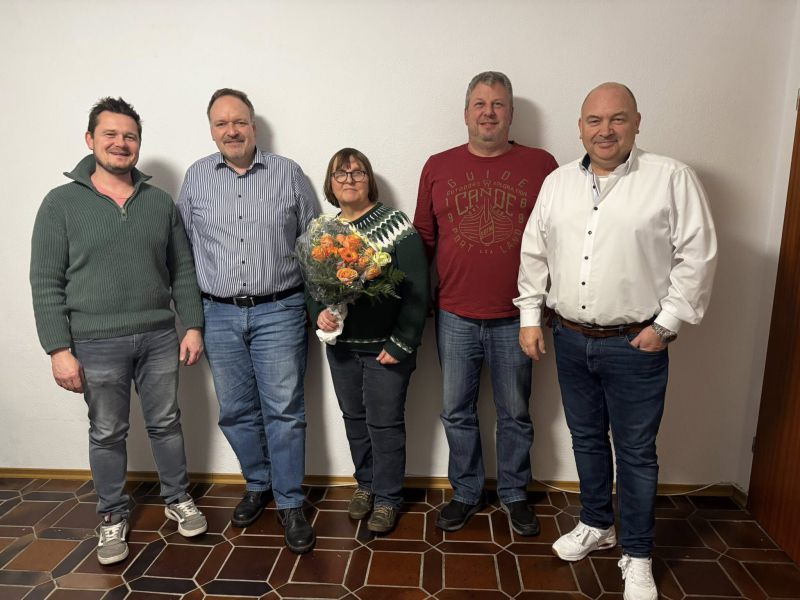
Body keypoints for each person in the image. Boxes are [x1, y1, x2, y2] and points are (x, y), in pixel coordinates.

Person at [515, 82, 717, 600]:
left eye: (617, 119)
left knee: (636, 453)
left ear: (637, 122)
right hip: (569, 338)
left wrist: (665, 325)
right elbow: (535, 251)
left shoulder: (670, 178)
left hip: (635, 345)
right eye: (594, 120)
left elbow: (697, 256)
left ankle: (639, 554)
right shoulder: (558, 183)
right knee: (585, 439)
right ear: (580, 127)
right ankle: (597, 524)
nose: (605, 130)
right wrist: (530, 317)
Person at [30, 97, 208, 566]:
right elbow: (45, 281)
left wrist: (192, 325)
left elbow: (182, 269)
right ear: (90, 140)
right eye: (110, 134)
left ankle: (177, 498)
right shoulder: (60, 203)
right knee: (108, 431)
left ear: (138, 144)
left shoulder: (159, 202)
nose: (120, 143)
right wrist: (58, 349)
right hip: (94, 342)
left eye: (130, 136)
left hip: (158, 336)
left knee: (166, 423)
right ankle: (112, 514)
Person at [413, 71, 558, 535]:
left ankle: (514, 493)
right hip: (454, 314)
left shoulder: (541, 165)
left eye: (497, 104)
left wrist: (549, 304)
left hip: (518, 316)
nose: (488, 113)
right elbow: (422, 241)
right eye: (480, 104)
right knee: (456, 411)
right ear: (466, 114)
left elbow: (559, 237)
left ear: (510, 114)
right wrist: (411, 305)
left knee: (515, 413)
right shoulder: (438, 166)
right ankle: (467, 491)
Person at [177, 88, 318, 554]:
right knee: (236, 410)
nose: (231, 130)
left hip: (280, 309)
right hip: (217, 313)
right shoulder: (196, 178)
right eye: (221, 123)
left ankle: (291, 501)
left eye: (239, 122)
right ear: (211, 131)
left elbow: (314, 242)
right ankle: (258, 484)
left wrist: (323, 308)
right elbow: (183, 252)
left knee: (285, 411)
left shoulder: (288, 173)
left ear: (253, 127)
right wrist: (192, 319)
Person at [309, 148, 430, 534]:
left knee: (384, 424)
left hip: (385, 349)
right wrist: (319, 314)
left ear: (369, 179)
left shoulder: (395, 225)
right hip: (342, 348)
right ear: (330, 184)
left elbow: (418, 289)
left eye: (357, 172)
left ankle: (389, 497)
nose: (349, 180)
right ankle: (366, 484)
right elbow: (314, 287)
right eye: (340, 174)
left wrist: (402, 342)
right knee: (355, 420)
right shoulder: (324, 231)